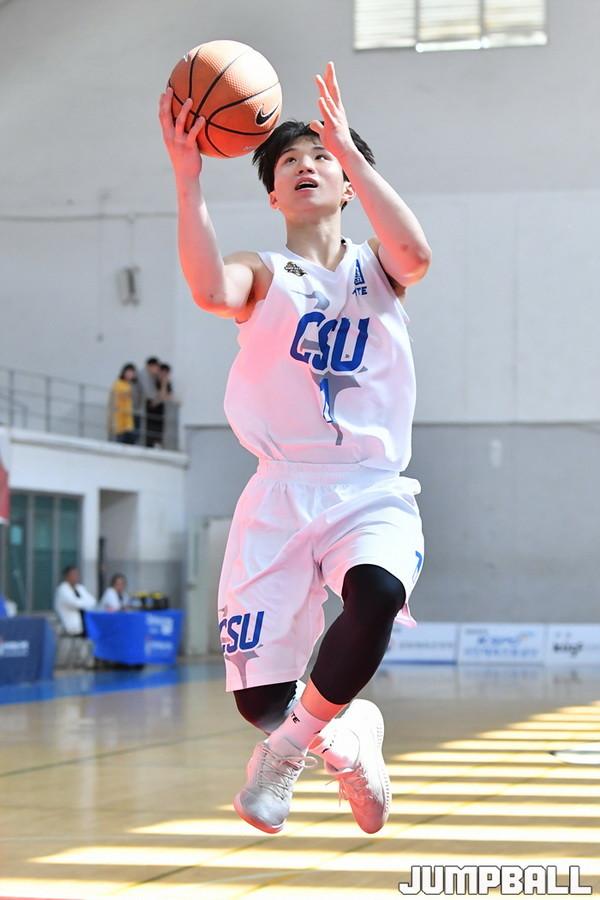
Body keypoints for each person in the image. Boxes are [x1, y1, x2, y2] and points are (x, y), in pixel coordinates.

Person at [158, 61, 431, 836]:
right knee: (259, 699)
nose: (306, 164)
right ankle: (345, 737)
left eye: (322, 157)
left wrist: (352, 151)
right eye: (289, 161)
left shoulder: (379, 267)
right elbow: (210, 289)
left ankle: (285, 756)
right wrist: (187, 178)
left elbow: (416, 254)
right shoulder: (264, 271)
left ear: (347, 183)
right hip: (279, 491)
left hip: (370, 486)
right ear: (273, 195)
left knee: (377, 593)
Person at [54, 565, 96, 635]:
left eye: (77, 574)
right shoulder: (62, 589)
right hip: (70, 628)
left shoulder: (80, 588)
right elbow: (74, 604)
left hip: (85, 626)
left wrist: (82, 603)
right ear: (67, 576)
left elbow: (93, 601)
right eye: (73, 575)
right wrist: (85, 602)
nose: (76, 577)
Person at [108, 363, 138, 444]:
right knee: (118, 442)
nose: (130, 374)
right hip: (118, 420)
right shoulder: (118, 384)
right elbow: (115, 400)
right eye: (128, 372)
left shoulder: (130, 385)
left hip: (128, 421)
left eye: (132, 373)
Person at [137, 356, 163, 447]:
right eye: (156, 367)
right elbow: (150, 394)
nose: (158, 370)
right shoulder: (144, 375)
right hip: (139, 407)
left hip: (143, 407)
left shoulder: (151, 376)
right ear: (150, 366)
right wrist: (159, 396)